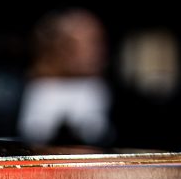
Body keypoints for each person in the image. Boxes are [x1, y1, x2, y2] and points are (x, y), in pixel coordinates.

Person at [17, 8, 112, 146]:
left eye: (98, 43)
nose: (96, 53)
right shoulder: (30, 89)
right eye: (87, 44)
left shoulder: (102, 90)